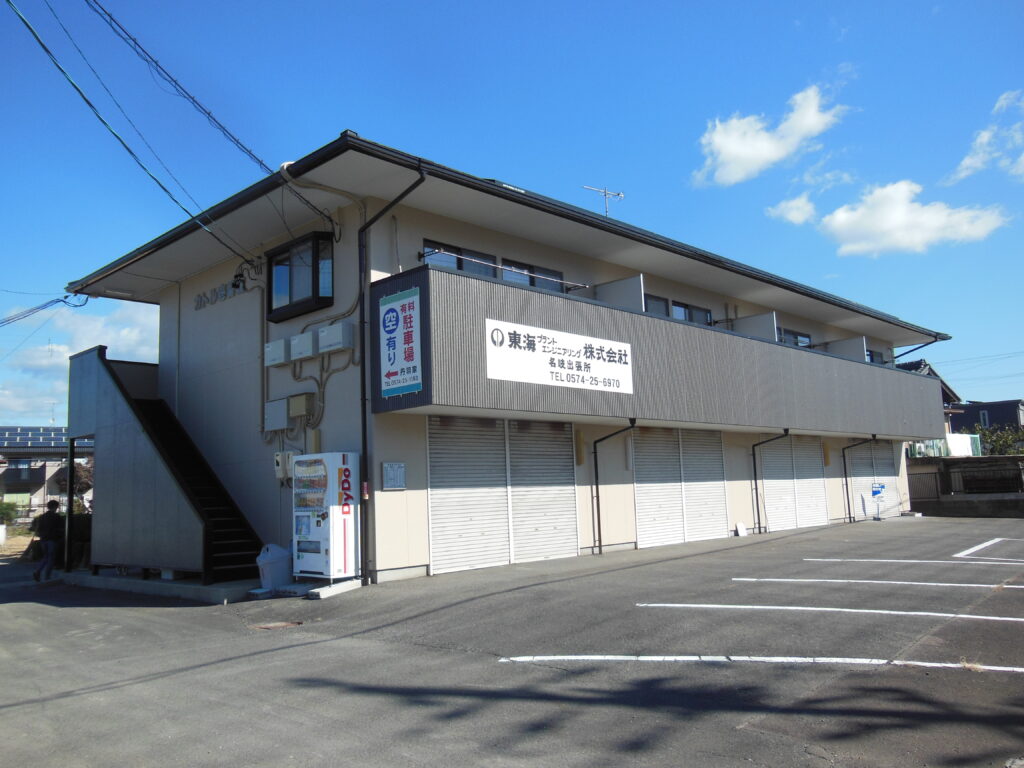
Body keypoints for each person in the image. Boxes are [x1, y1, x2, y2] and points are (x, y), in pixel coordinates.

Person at [32, 500, 62, 582]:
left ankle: (37, 571)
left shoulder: (42, 516)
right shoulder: (56, 517)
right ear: (55, 507)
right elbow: (59, 528)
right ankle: (47, 576)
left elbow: (38, 528)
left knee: (45, 557)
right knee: (51, 558)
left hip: (43, 539)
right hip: (52, 539)